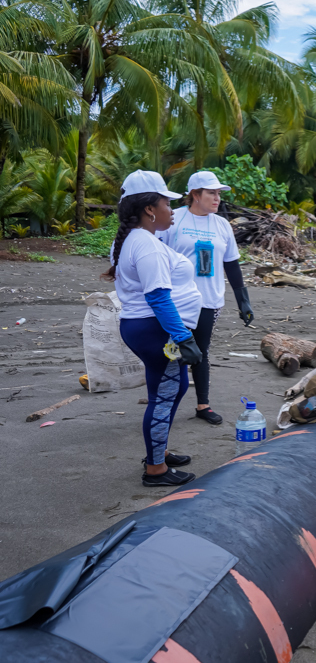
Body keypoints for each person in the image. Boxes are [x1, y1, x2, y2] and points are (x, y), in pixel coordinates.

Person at [103, 171, 204, 487]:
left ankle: (158, 451)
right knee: (165, 394)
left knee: (169, 390)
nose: (171, 210)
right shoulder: (146, 245)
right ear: (149, 209)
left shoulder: (137, 240)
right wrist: (184, 337)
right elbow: (158, 298)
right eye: (166, 203)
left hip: (144, 328)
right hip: (154, 330)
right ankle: (155, 469)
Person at [157, 170, 253, 425]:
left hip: (209, 300)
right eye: (211, 193)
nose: (217, 198)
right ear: (194, 194)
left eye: (219, 193)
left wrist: (243, 300)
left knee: (201, 351)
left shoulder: (221, 225)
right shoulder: (174, 219)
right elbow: (157, 256)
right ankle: (165, 406)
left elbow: (231, 264)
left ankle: (203, 405)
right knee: (173, 353)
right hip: (176, 300)